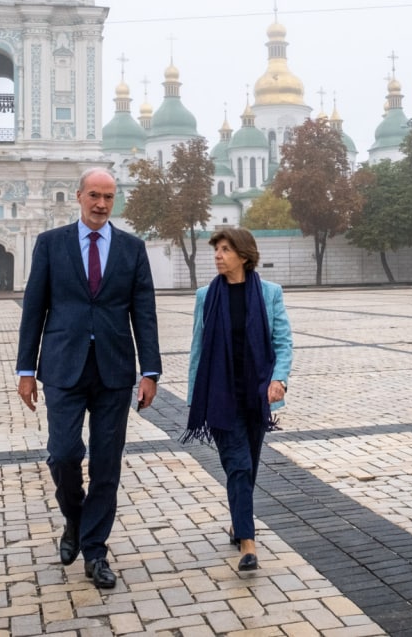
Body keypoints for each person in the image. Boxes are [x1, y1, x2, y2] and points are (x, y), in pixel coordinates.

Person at [16, 167, 161, 590]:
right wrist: (26, 370)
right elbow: (34, 307)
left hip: (114, 369)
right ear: (78, 196)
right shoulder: (51, 244)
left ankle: (95, 551)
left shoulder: (132, 248)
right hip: (63, 366)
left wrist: (150, 371)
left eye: (108, 197)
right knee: (63, 454)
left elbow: (144, 312)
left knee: (106, 463)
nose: (101, 204)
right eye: (94, 195)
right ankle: (75, 520)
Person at [184, 228, 292, 573]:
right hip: (220, 395)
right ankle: (248, 543)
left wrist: (279, 379)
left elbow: (283, 342)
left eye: (225, 249)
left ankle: (237, 520)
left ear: (244, 256)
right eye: (216, 249)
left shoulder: (270, 293)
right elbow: (198, 349)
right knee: (239, 465)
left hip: (256, 395)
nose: (218, 255)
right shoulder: (206, 296)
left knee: (248, 467)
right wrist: (195, 397)